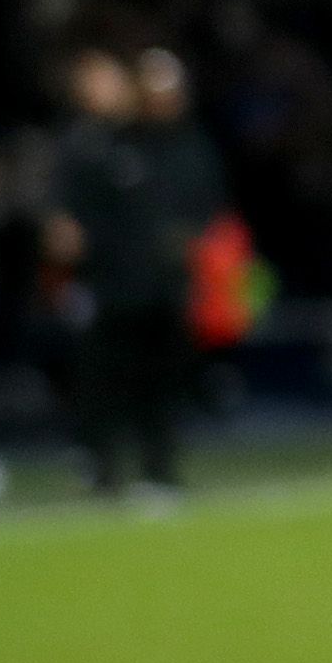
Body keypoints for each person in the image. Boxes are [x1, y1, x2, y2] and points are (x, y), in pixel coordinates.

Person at [44, 46, 223, 500]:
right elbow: (75, 208)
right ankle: (102, 470)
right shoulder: (110, 143)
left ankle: (158, 469)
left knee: (163, 385)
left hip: (166, 287)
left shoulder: (191, 147)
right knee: (104, 383)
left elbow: (207, 209)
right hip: (113, 287)